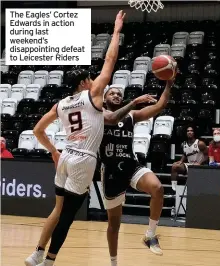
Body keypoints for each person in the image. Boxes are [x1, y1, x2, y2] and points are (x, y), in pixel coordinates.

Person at [25, 10, 126, 266]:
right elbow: (111, 60)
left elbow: (37, 130)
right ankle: (48, 261)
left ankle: (36, 252)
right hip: (83, 160)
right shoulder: (92, 95)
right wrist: (116, 31)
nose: (94, 81)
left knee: (57, 210)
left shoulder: (61, 104)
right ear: (84, 83)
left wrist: (53, 151)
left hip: (66, 156)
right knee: (68, 216)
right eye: (90, 79)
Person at [99, 78, 174, 265]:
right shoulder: (98, 114)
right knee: (114, 225)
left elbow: (159, 106)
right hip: (111, 171)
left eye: (119, 94)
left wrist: (169, 84)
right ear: (104, 98)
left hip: (131, 165)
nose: (116, 95)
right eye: (112, 93)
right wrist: (135, 101)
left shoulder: (130, 116)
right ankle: (114, 262)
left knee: (157, 188)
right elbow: (112, 118)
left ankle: (150, 235)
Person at [171, 125, 208, 191]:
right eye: (188, 131)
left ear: (194, 133)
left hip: (200, 166)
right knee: (174, 166)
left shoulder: (200, 143)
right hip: (190, 165)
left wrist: (200, 163)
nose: (189, 132)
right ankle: (174, 188)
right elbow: (185, 154)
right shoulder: (183, 144)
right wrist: (181, 161)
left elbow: (207, 155)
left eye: (191, 131)